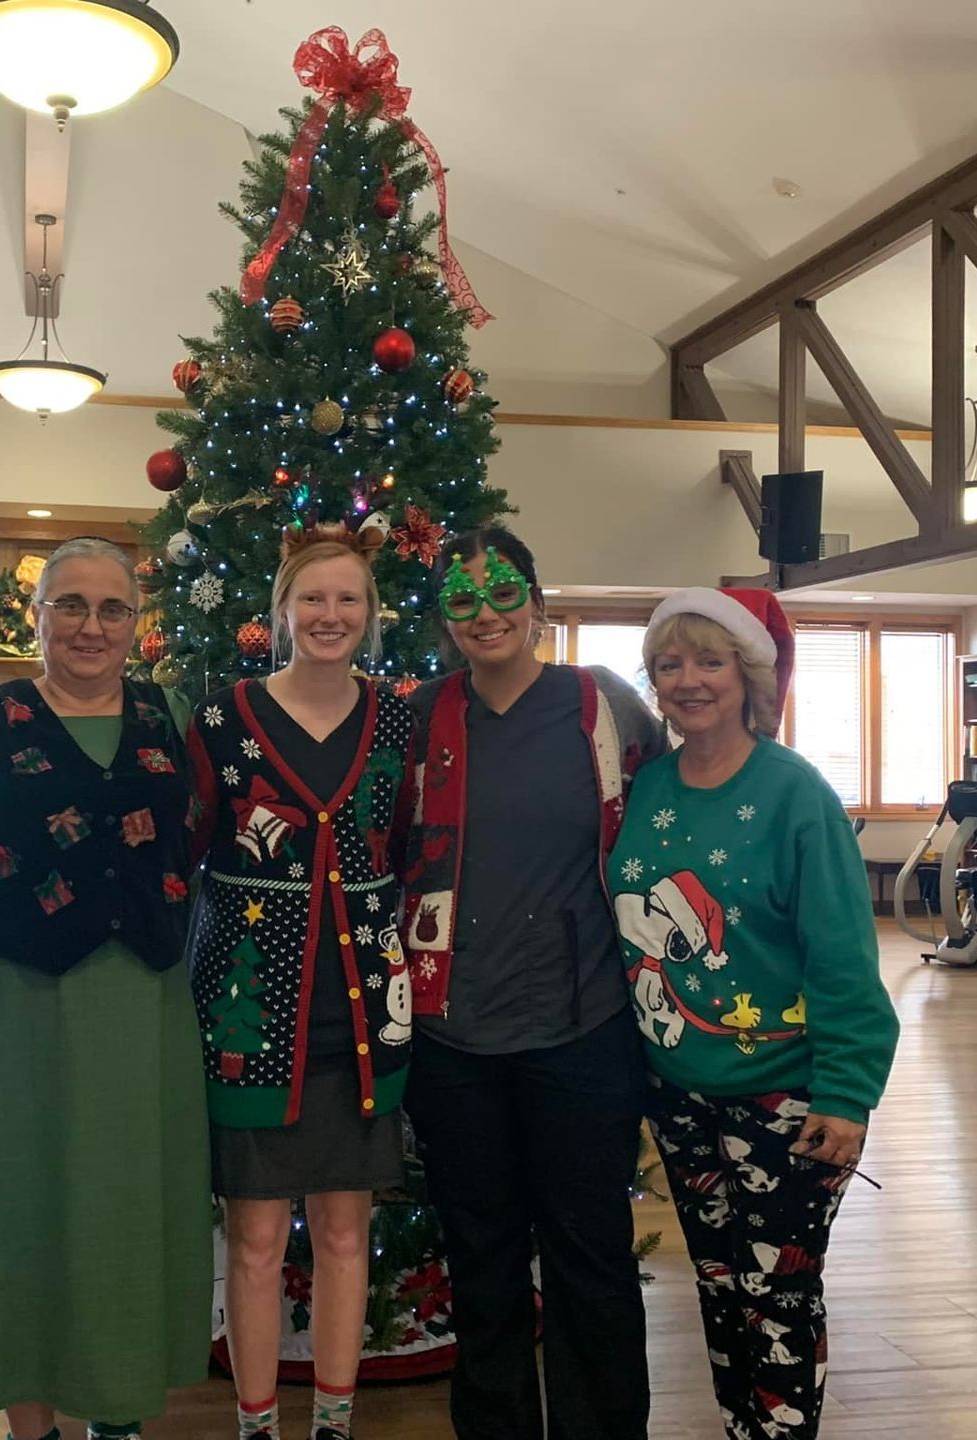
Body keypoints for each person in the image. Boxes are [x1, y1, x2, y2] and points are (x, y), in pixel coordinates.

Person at [609, 587, 898, 1440]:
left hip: (789, 1100)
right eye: (670, 664)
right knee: (719, 1285)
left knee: (780, 1298)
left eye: (710, 661)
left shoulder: (794, 794)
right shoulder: (647, 787)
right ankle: (741, 1427)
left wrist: (848, 1095)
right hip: (680, 1092)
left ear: (750, 675)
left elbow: (844, 955)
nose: (689, 680)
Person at [0, 537, 211, 1440]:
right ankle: (32, 1423)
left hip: (143, 1000)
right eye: (71, 606)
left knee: (126, 1201)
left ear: (138, 622)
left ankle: (118, 1413)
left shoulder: (169, 710)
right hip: (16, 997)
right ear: (39, 614)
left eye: (112, 609)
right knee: (19, 1196)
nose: (91, 627)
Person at [400, 525, 667, 1440]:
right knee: (482, 1262)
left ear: (540, 603)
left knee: (591, 1259)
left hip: (585, 1031)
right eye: (463, 597)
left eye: (504, 589)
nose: (487, 612)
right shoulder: (420, 715)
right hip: (452, 1042)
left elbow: (673, 821)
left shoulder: (606, 707)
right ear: (444, 617)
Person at [185, 523, 417, 1440]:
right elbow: (190, 849)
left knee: (345, 1233)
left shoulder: (397, 718)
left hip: (360, 1018)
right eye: (312, 598)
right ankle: (254, 1423)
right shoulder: (222, 717)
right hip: (249, 1017)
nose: (330, 615)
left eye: (347, 599)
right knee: (249, 1240)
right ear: (281, 610)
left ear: (370, 613)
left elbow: (409, 847)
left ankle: (332, 1420)